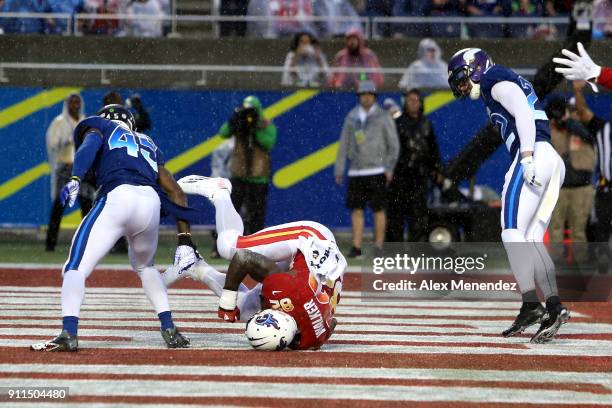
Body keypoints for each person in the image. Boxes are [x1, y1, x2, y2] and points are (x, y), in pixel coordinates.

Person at [31, 105, 198, 352]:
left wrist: (76, 178)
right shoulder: (148, 142)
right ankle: (169, 327)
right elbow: (174, 190)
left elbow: (89, 146)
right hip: (150, 203)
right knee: (145, 267)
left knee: (75, 267)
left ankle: (69, 331)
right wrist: (185, 239)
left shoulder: (101, 126)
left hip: (118, 196)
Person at [447, 48, 569, 343]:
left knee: (511, 232)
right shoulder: (499, 80)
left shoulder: (492, 78)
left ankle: (531, 304)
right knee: (528, 239)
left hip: (536, 154)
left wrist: (526, 157)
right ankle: (553, 307)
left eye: (462, 78)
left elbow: (524, 112)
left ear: (474, 67)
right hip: (551, 159)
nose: (462, 86)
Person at [162, 175, 347, 350]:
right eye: (264, 312)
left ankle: (196, 266)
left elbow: (331, 323)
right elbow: (243, 258)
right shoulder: (289, 291)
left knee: (244, 310)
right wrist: (227, 302)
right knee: (229, 247)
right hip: (310, 241)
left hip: (306, 274)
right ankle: (219, 191)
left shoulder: (311, 340)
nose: (260, 311)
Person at [334, 80, 400, 258]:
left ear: (374, 96)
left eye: (369, 94)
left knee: (378, 210)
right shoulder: (352, 117)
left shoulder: (383, 116)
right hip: (356, 170)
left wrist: (388, 167)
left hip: (377, 170)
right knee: (357, 210)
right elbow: (344, 143)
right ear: (359, 96)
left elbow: (393, 144)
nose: (366, 97)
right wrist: (340, 169)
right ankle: (357, 247)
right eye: (363, 94)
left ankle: (379, 246)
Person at [386, 88, 442, 242]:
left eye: (416, 100)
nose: (413, 103)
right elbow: (389, 149)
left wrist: (437, 170)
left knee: (418, 215)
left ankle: (416, 249)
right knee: (395, 215)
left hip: (420, 176)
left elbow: (433, 149)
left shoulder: (426, 124)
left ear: (421, 103)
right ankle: (394, 250)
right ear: (405, 103)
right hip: (399, 176)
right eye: (410, 100)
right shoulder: (397, 124)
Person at [546, 95, 595, 262]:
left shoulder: (583, 126)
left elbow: (590, 137)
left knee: (579, 231)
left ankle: (581, 265)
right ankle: (556, 266)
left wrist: (570, 123)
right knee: (555, 229)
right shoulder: (548, 129)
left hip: (581, 187)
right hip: (556, 188)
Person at [218, 95, 277, 235]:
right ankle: (226, 239)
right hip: (238, 174)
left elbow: (269, 142)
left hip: (258, 177)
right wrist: (235, 119)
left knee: (256, 213)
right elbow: (223, 132)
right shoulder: (239, 122)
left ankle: (255, 240)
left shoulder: (265, 124)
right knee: (232, 210)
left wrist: (255, 129)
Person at [572, 79, 611, 273]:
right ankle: (603, 258)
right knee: (602, 225)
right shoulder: (603, 127)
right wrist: (577, 91)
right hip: (606, 187)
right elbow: (583, 113)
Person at [45, 93, 90, 252]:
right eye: (72, 102)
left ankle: (88, 245)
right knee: (59, 206)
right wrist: (67, 140)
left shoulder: (85, 121)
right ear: (66, 105)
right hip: (65, 166)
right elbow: (52, 143)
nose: (75, 105)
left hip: (82, 167)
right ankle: (50, 244)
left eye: (77, 102)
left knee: (87, 207)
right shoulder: (59, 122)